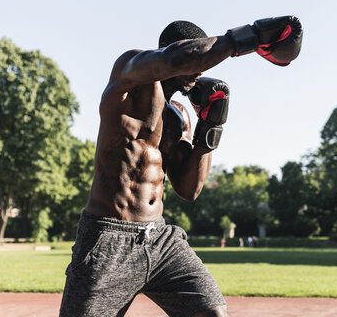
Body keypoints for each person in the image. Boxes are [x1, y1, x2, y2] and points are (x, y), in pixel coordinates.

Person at [59, 16, 302, 317]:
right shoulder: (131, 74)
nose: (200, 71)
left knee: (213, 313)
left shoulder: (177, 117)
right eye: (196, 60)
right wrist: (250, 37)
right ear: (174, 52)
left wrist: (209, 128)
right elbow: (177, 58)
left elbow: (189, 189)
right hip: (109, 239)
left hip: (160, 240)